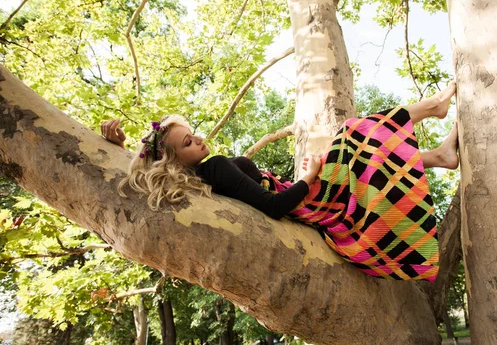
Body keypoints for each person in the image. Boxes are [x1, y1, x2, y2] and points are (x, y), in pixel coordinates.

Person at [102, 81, 458, 281]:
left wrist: (117, 147)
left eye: (193, 135)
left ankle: (440, 157)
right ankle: (433, 108)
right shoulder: (215, 167)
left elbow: (144, 174)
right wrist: (306, 178)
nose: (198, 141)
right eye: (188, 143)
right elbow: (273, 207)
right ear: (174, 159)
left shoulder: (201, 176)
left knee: (359, 160)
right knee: (353, 134)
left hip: (302, 194)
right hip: (306, 201)